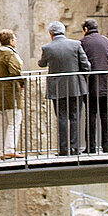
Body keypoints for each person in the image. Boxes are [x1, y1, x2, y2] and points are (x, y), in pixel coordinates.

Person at [38, 20, 91, 155]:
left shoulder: (47, 48)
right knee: (75, 117)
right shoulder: (76, 44)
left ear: (51, 34)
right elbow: (86, 65)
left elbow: (42, 64)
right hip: (75, 86)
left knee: (61, 117)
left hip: (57, 88)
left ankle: (63, 149)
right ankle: (75, 148)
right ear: (63, 31)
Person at [81, 18, 108, 152]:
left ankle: (90, 147)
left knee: (91, 116)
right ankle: (107, 146)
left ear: (85, 30)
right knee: (106, 115)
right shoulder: (106, 40)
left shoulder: (83, 42)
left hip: (92, 84)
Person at [0, 29, 24, 159]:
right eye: (14, 39)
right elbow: (15, 71)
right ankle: (9, 149)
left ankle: (1, 151)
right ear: (11, 41)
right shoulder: (10, 55)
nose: (16, 41)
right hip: (9, 93)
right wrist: (22, 81)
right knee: (14, 121)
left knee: (0, 125)